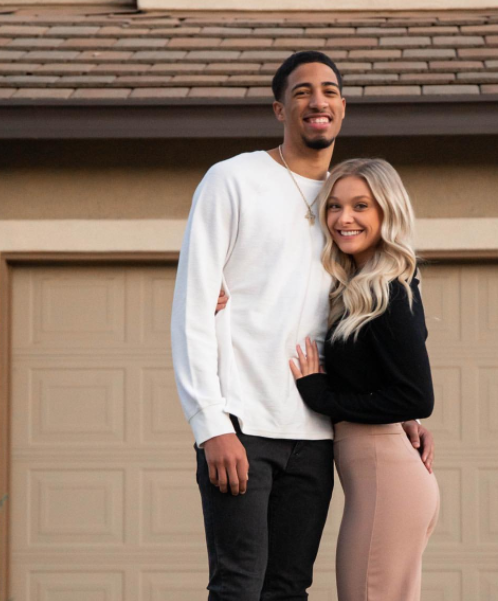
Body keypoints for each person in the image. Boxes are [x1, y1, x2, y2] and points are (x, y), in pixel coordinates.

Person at [170, 50, 435, 601]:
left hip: (316, 434)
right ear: (279, 108)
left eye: (331, 90)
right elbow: (193, 306)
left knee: (289, 588)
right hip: (242, 422)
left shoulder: (347, 205)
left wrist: (399, 408)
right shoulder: (233, 179)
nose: (319, 101)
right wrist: (210, 423)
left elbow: (366, 318)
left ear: (343, 107)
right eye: (302, 91)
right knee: (238, 586)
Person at [288, 158, 439, 601]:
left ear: (386, 212)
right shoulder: (358, 287)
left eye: (360, 206)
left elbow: (416, 395)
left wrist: (322, 396)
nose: (343, 218)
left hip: (386, 480)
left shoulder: (392, 287)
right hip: (383, 476)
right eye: (333, 206)